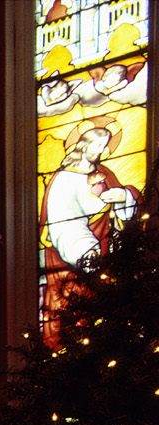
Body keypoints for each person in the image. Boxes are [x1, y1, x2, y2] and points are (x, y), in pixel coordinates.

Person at [40, 122, 140, 348]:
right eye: (97, 144)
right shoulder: (64, 179)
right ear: (83, 145)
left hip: (109, 252)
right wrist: (89, 257)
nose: (101, 150)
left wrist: (123, 197)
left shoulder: (105, 174)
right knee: (78, 317)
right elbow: (63, 224)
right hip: (77, 258)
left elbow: (130, 212)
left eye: (104, 145)